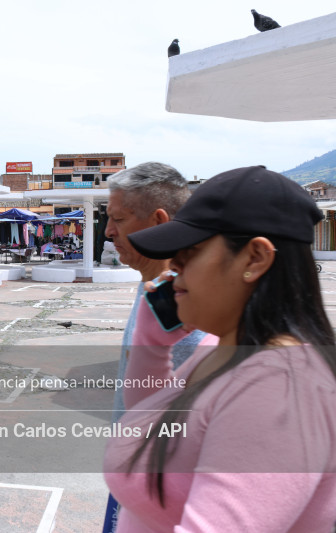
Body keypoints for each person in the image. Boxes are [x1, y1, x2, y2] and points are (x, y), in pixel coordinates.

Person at [104, 166, 336, 532]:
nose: (175, 264)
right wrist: (151, 345)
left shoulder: (278, 390)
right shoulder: (226, 347)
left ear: (255, 258)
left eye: (191, 251)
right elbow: (154, 422)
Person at [101, 162, 208, 532]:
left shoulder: (185, 305)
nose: (108, 231)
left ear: (159, 221)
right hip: (134, 476)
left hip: (160, 491)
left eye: (118, 219)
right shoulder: (153, 287)